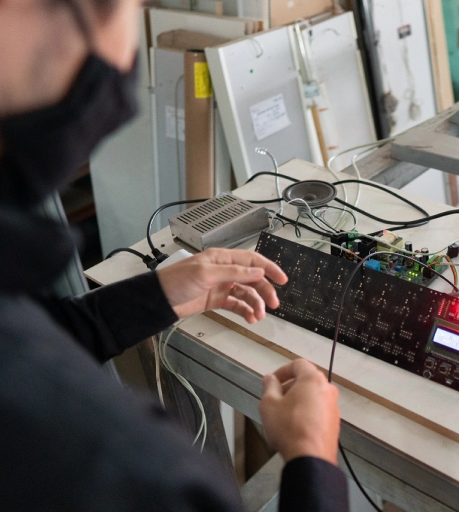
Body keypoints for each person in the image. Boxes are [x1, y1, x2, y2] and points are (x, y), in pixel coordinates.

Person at [0, 0, 348, 510]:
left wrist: (154, 295)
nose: (123, 48)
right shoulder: (132, 468)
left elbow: (35, 333)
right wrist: (313, 459)